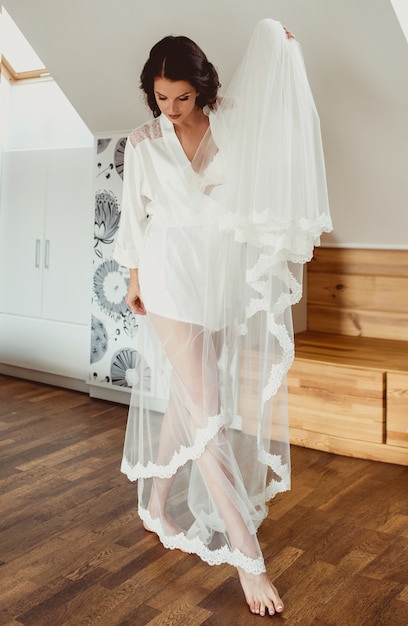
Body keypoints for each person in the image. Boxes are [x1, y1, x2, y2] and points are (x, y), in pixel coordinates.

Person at [113, 19, 331, 617]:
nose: (172, 108)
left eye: (182, 96)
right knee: (209, 410)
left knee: (190, 397)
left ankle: (157, 504)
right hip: (168, 275)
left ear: (201, 88)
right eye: (161, 98)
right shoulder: (142, 143)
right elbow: (134, 221)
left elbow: (284, 119)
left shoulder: (231, 121)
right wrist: (134, 281)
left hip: (219, 278)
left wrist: (284, 49)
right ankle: (249, 561)